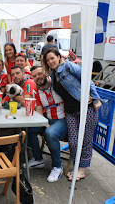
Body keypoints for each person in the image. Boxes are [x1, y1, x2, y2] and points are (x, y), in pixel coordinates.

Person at [42, 48, 102, 181]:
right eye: (48, 60)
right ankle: (76, 165)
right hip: (70, 112)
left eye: (52, 58)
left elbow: (86, 79)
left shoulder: (68, 66)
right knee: (73, 142)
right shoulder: (53, 76)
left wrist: (96, 98)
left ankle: (81, 170)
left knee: (85, 141)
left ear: (58, 57)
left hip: (86, 107)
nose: (51, 61)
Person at [27, 66, 68, 182]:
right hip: (49, 120)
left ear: (45, 72)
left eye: (39, 74)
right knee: (30, 129)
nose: (37, 77)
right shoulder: (36, 90)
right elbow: (39, 112)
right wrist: (46, 125)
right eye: (34, 76)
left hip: (63, 120)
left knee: (50, 133)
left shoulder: (56, 84)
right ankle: (38, 159)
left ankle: (57, 167)